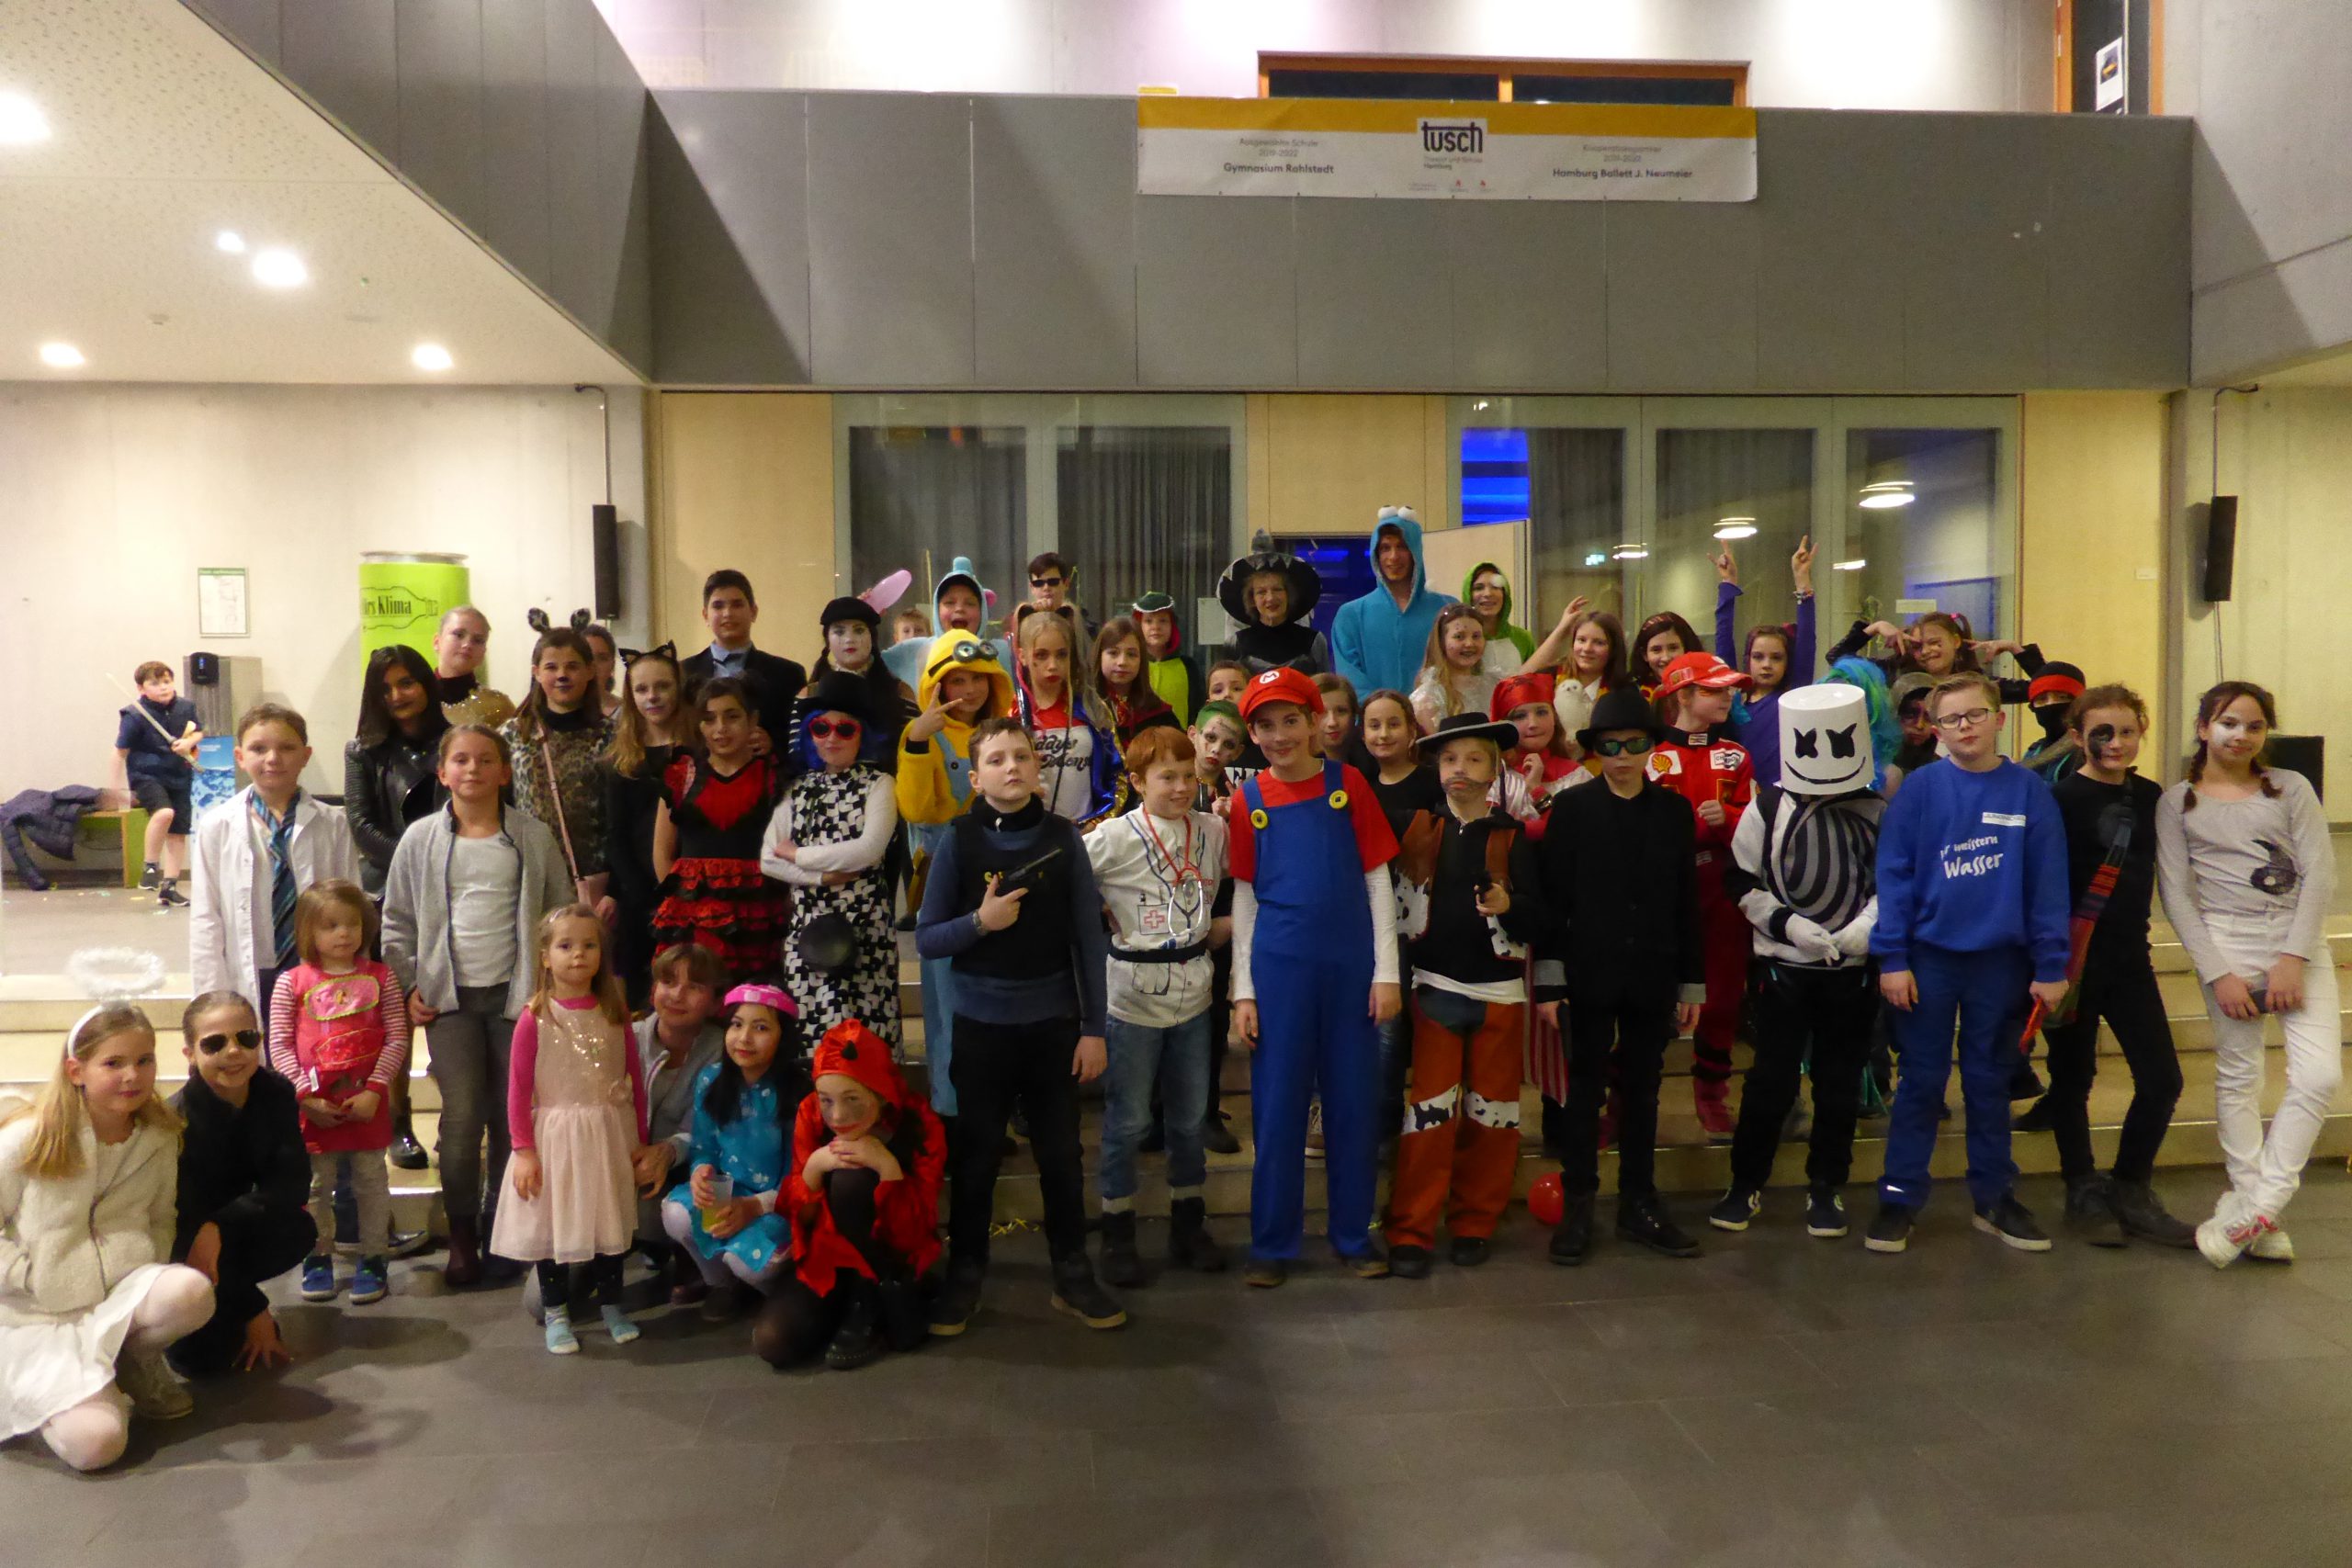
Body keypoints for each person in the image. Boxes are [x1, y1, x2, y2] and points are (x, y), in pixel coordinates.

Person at [917, 717, 1123, 1335]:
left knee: (1061, 1154)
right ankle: (966, 1272)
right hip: (981, 1028)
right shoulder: (959, 840)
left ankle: (1072, 1271)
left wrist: (1094, 1028)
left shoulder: (1063, 838)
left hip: (1053, 1026)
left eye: (1022, 756)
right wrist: (980, 923)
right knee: (976, 1156)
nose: (1012, 766)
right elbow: (928, 938)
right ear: (976, 778)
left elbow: (1088, 938)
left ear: (1038, 769)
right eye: (996, 759)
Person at [1866, 672, 2070, 1256]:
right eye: (1951, 719)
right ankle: (1900, 1196)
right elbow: (1894, 877)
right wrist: (1892, 957)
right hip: (1928, 959)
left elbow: (2047, 884)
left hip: (2000, 962)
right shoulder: (1919, 792)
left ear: (1999, 719)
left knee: (1989, 1080)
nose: (1965, 727)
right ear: (1936, 729)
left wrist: (2051, 964)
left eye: (1975, 715)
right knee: (1921, 1082)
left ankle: (1994, 1196)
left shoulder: (2029, 793)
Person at [381, 724, 574, 1287]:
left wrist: (552, 986)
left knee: (510, 1118)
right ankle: (462, 1234)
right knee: (463, 1116)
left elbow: (558, 911)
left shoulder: (532, 836)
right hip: (450, 1001)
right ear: (442, 772)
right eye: (461, 760)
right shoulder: (420, 839)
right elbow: (397, 920)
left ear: (505, 771)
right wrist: (410, 984)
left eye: (486, 760)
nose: (472, 769)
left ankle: (503, 1229)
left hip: (518, 999)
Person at [1227, 668, 1402, 1287]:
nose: (1279, 735)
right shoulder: (1248, 800)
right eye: (1265, 725)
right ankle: (1272, 1243)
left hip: (1351, 969)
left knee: (1353, 1104)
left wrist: (1387, 973)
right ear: (1252, 734)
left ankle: (1353, 1234)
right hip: (1279, 971)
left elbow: (1378, 880)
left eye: (1290, 721)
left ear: (1314, 723)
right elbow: (1244, 899)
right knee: (1278, 1108)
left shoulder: (1347, 784)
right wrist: (1242, 991)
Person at [2158, 681, 2338, 1269]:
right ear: (2204, 727)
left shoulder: (2291, 788)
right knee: (2239, 1076)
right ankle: (2255, 1212)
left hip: (2295, 942)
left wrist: (2293, 957)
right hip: (2226, 943)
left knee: (2318, 1076)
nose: (2241, 735)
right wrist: (2218, 974)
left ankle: (2259, 1206)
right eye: (2228, 723)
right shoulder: (2178, 802)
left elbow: (2320, 874)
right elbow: (2177, 896)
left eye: (2254, 726)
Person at [0, 1004, 215, 1471]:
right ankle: (52, 1394)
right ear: (76, 1071)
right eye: (113, 1063)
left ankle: (133, 1360)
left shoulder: (159, 1136)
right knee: (97, 1446)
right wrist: (24, 1275)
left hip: (116, 1297)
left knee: (191, 1292)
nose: (132, 1075)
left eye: (144, 1060)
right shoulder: (28, 1137)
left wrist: (144, 1261)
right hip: (35, 1317)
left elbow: (162, 1215)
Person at [1533, 687, 1705, 1265]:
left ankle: (1639, 1201)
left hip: (1652, 971)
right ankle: (1579, 1203)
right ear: (1595, 750)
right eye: (1610, 746)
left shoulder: (1674, 812)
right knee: (1584, 1091)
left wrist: (1692, 983)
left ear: (1652, 747)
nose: (1623, 756)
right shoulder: (1573, 809)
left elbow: (1687, 901)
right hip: (1588, 972)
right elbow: (1553, 902)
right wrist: (1551, 982)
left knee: (1644, 1089)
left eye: (1634, 744)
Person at [1385, 714, 1555, 1279]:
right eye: (1450, 759)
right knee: (1428, 1119)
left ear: (1495, 770)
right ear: (1438, 769)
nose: (1460, 769)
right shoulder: (1415, 827)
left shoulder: (1514, 837)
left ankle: (1474, 1222)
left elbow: (1541, 920)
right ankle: (1410, 1228)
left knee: (1493, 1117)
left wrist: (1510, 906)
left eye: (1474, 759)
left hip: (1500, 996)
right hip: (1433, 989)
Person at [1711, 684, 1884, 1240]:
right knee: (1769, 1083)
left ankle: (1827, 1185)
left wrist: (1866, 927)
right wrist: (1786, 924)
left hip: (1851, 975)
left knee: (1839, 1085)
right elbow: (1740, 879)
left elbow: (1892, 882)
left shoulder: (1877, 809)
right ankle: (1745, 1183)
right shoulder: (1767, 806)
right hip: (1782, 971)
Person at [2031, 685, 2194, 1248]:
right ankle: (2080, 1184)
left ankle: (2131, 1185)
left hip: (2130, 959)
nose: (2116, 743)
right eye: (2102, 732)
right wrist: (2045, 963)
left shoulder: (2151, 797)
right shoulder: (2058, 800)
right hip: (2071, 962)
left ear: (2141, 732)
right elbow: (2042, 883)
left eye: (2127, 731)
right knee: (2072, 1078)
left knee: (2162, 1079)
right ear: (2077, 737)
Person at [1087, 728, 1232, 1287]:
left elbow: (1241, 880)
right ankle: (1118, 1227)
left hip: (1195, 992)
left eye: (1187, 775)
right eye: (1165, 776)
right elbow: (1070, 885)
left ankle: (1187, 1224)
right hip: (1131, 997)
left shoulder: (1212, 829)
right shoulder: (1112, 838)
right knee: (1128, 1120)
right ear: (1136, 781)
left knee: (1190, 1118)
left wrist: (1226, 923)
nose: (1179, 787)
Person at [496, 905, 648, 1354]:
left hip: (607, 1135)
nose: (578, 954)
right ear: (545, 956)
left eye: (589, 945)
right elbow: (518, 1089)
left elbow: (634, 1079)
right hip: (557, 1139)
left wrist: (639, 1139)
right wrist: (524, 1149)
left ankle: (612, 1304)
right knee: (556, 1225)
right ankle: (557, 1311)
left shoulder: (614, 1012)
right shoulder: (536, 1017)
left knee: (609, 1223)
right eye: (565, 945)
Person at [757, 1020, 947, 1370]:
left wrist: (889, 1170)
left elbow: (914, 1232)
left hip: (888, 1257)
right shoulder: (810, 1114)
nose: (838, 1116)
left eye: (852, 1100)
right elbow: (799, 1221)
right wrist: (813, 1170)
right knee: (774, 1341)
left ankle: (872, 1297)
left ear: (881, 1093)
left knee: (850, 1179)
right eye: (826, 1100)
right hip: (829, 1257)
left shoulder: (919, 1124)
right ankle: (846, 1304)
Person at [896, 633, 1017, 1129]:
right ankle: (951, 1112)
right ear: (938, 685)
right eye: (957, 680)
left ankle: (994, 1112)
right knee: (945, 1000)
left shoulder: (1004, 735)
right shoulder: (923, 733)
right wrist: (918, 741)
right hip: (944, 876)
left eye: (978, 679)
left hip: (996, 871)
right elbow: (916, 808)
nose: (969, 690)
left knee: (997, 995)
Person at [268, 881, 408, 1307]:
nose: (343, 933)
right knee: (315, 1188)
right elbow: (279, 1046)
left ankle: (374, 1258)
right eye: (330, 926)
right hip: (314, 1110)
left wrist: (375, 1090)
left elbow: (397, 1038)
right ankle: (316, 1257)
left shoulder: (382, 977)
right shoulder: (290, 983)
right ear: (307, 931)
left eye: (351, 924)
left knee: (371, 1184)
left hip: (368, 1106)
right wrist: (304, 1095)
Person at [166, 993, 313, 1378]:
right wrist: (255, 1309)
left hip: (230, 1229)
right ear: (189, 1054)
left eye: (246, 1038)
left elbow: (292, 1184)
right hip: (181, 1244)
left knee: (297, 1229)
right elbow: (182, 1226)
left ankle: (233, 1303)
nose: (234, 1052)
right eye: (214, 1043)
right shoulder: (176, 1121)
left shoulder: (276, 1092)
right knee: (201, 1363)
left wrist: (220, 1225)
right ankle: (231, 1309)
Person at [190, 704, 362, 1017]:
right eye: (258, 749)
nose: (273, 758)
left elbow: (352, 905)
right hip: (252, 969)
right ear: (240, 757)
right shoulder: (217, 826)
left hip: (318, 969)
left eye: (286, 748)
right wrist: (210, 996)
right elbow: (206, 916)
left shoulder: (333, 824)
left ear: (306, 756)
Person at [1646, 651, 1757, 1140]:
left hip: (1720, 887)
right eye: (1716, 689)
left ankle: (1712, 1095)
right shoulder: (1649, 756)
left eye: (1729, 689)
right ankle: (1626, 1102)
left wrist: (1728, 819)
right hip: (1663, 891)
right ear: (1683, 695)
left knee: (1723, 998)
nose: (1727, 697)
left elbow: (1756, 825)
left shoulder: (1736, 755)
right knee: (1647, 998)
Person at [344, 643, 445, 1168]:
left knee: (450, 1014)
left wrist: (443, 867)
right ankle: (398, 1123)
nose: (398, 695)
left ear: (426, 682)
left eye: (406, 682)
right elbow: (361, 826)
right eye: (385, 689)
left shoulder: (455, 741)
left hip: (453, 891)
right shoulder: (362, 750)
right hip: (387, 896)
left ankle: (456, 1122)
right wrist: (414, 865)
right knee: (394, 1020)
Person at [764, 672, 901, 1048]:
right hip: (808, 927)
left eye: (845, 729)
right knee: (812, 1038)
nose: (831, 738)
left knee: (868, 1037)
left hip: (865, 926)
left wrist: (798, 855)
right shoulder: (797, 788)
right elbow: (768, 860)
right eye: (821, 728)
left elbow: (868, 850)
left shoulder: (880, 783)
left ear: (863, 734)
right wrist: (822, 877)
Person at [665, 986, 803, 1323]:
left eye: (761, 1027)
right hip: (729, 1193)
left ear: (784, 1037)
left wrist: (755, 1206)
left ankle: (775, 1288)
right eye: (737, 1024)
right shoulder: (712, 1080)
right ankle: (722, 1285)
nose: (744, 1038)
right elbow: (703, 1146)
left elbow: (799, 1177)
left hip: (777, 1205)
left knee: (746, 1261)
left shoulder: (797, 1093)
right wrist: (701, 1171)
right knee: (676, 1214)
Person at [651, 679, 790, 986]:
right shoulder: (682, 775)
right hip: (692, 918)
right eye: (709, 719)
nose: (721, 729)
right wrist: (681, 906)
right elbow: (662, 852)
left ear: (752, 720)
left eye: (732, 716)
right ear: (698, 725)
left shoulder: (773, 776)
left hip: (757, 915)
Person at [631, 943, 728, 1304]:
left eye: (694, 986)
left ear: (716, 1002)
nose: (677, 995)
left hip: (687, 1171)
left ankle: (701, 1262)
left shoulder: (726, 1048)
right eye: (668, 982)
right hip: (623, 1172)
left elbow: (710, 1127)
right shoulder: (625, 1037)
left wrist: (669, 1151)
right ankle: (650, 1244)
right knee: (540, 1301)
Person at [502, 616, 615, 906]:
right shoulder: (513, 735)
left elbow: (621, 818)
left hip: (594, 882)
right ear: (536, 673)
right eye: (552, 667)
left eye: (572, 666)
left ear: (590, 671)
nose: (562, 675)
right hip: (530, 875)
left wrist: (616, 891)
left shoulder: (611, 736)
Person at [603, 644, 687, 1007]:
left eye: (662, 686)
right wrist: (638, 891)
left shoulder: (697, 749)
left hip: (689, 884)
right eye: (641, 689)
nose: (652, 696)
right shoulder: (620, 759)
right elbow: (615, 834)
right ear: (630, 695)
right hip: (638, 893)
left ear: (679, 688)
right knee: (643, 991)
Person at [1713, 537, 1818, 788]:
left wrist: (1802, 581)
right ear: (1747, 660)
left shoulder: (1793, 696)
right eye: (1758, 657)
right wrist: (1728, 585)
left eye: (1777, 657)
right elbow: (1723, 638)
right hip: (1739, 795)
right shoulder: (1733, 697)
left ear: (1789, 661)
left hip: (1782, 796)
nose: (1767, 664)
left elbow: (1807, 639)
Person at [1014, 605, 1123, 825]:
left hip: (1087, 835)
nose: (1053, 665)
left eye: (1061, 654)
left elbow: (1119, 776)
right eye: (1041, 655)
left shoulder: (1093, 709)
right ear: (1022, 656)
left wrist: (1096, 823)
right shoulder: (1010, 714)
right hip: (1028, 834)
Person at [681, 570, 810, 748]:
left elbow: (802, 738)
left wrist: (773, 743)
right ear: (705, 615)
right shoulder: (684, 672)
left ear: (753, 612)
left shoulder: (787, 673)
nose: (727, 613)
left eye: (737, 605)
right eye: (718, 606)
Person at [1332, 506, 1451, 698]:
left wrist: (1428, 708)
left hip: (1438, 715)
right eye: (1385, 548)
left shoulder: (1446, 609)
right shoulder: (1351, 615)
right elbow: (1351, 682)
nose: (1393, 557)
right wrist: (1383, 711)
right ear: (1376, 554)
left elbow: (1459, 670)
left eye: (1402, 546)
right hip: (1372, 716)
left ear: (1415, 551)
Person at [115, 659, 201, 908]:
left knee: (178, 833)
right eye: (154, 683)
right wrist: (116, 789)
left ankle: (169, 887)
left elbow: (199, 731)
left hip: (180, 774)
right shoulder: (134, 715)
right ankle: (150, 866)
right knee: (164, 813)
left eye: (166, 681)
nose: (163, 687)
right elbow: (119, 752)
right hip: (147, 776)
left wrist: (188, 743)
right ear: (141, 688)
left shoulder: (185, 707)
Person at [1828, 609, 2049, 706]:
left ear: (1956, 641)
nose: (1926, 652)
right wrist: (1875, 628)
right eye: (1917, 646)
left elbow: (2046, 690)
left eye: (1934, 643)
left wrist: (2015, 648)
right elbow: (1837, 658)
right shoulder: (1895, 674)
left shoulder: (1978, 685)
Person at [880, 556, 1012, 693]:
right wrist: (867, 615)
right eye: (949, 602)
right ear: (937, 610)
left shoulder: (1001, 653)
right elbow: (869, 664)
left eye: (970, 603)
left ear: (982, 612)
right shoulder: (916, 650)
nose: (959, 608)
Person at [808, 594, 915, 756]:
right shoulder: (810, 693)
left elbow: (916, 748)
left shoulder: (900, 691)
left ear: (872, 637)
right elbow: (799, 754)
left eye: (859, 630)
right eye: (839, 632)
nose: (849, 639)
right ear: (827, 640)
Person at [1216, 533, 1329, 675]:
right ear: (1252, 599)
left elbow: (1324, 686)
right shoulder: (1236, 644)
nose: (1270, 598)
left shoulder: (1314, 641)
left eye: (1277, 589)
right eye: (1261, 592)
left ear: (1289, 595)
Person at [1493, 672, 1581, 829]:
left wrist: (1536, 790)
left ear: (1554, 718)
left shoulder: (1576, 776)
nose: (1533, 723)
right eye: (1520, 716)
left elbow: (1577, 832)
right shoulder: (1494, 778)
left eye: (1541, 712)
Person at [1410, 604, 1501, 733]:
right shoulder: (1428, 697)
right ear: (1441, 641)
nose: (1469, 643)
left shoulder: (1494, 685)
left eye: (1476, 636)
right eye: (1459, 637)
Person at [1094, 616, 1182, 748]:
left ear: (1142, 660)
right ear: (1099, 655)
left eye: (1131, 654)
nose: (1122, 662)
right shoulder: (1084, 708)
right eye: (1113, 653)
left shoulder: (1160, 715)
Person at [433, 604, 516, 730]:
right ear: (437, 642)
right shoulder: (416, 697)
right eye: (459, 634)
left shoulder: (498, 706)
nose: (467, 644)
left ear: (484, 652)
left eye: (478, 640)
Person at [1132, 592, 1203, 723]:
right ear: (1139, 625)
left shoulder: (1189, 666)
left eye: (1163, 621)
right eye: (1148, 621)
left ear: (1172, 626)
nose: (1156, 627)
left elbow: (1198, 710)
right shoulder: (1133, 665)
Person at [2020, 663, 2089, 784]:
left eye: (2062, 697)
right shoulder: (2034, 751)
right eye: (2042, 699)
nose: (2051, 704)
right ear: (2032, 707)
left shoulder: (2087, 753)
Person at [1461, 561, 1534, 664]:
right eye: (1479, 588)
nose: (1488, 594)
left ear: (1505, 594)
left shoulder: (1523, 639)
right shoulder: (1460, 641)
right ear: (1468, 595)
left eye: (1495, 587)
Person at [1630, 611, 1705, 694]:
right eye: (1656, 650)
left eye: (1673, 648)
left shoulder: (1706, 688)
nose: (1666, 658)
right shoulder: (1631, 694)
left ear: (1687, 649)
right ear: (1645, 655)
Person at [582, 624, 623, 718]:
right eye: (588, 658)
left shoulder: (628, 712)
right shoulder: (564, 710)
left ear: (612, 665)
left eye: (602, 658)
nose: (594, 665)